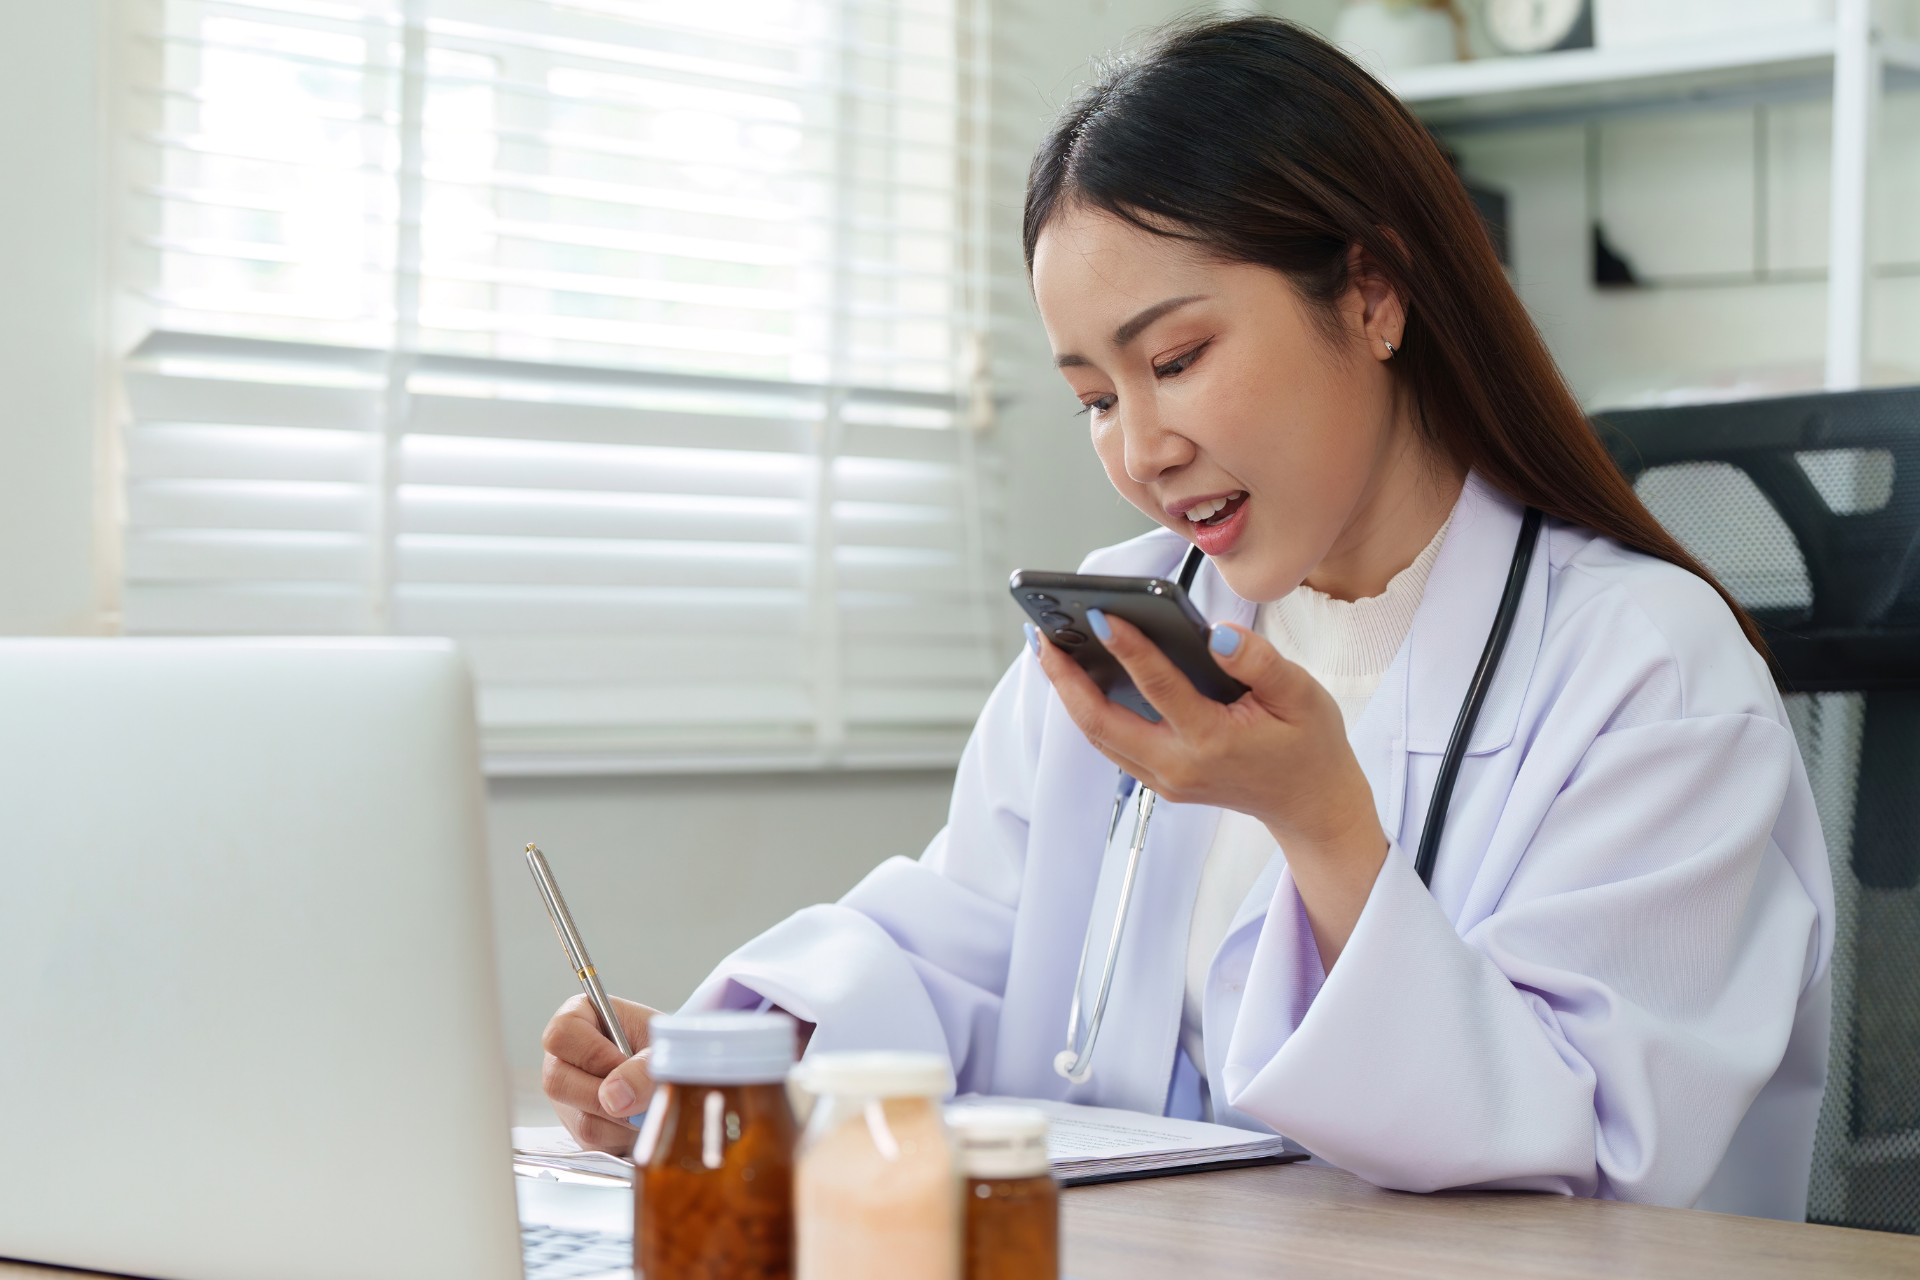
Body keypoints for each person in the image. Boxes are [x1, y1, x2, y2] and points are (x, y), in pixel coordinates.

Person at [540, 16, 1833, 1219]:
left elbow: (1595, 1146)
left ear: (1373, 296)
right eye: (1096, 396)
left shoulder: (1646, 668)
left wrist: (1321, 823)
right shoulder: (1133, 625)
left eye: (1174, 362)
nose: (1142, 448)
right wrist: (752, 1066)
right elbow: (976, 963)